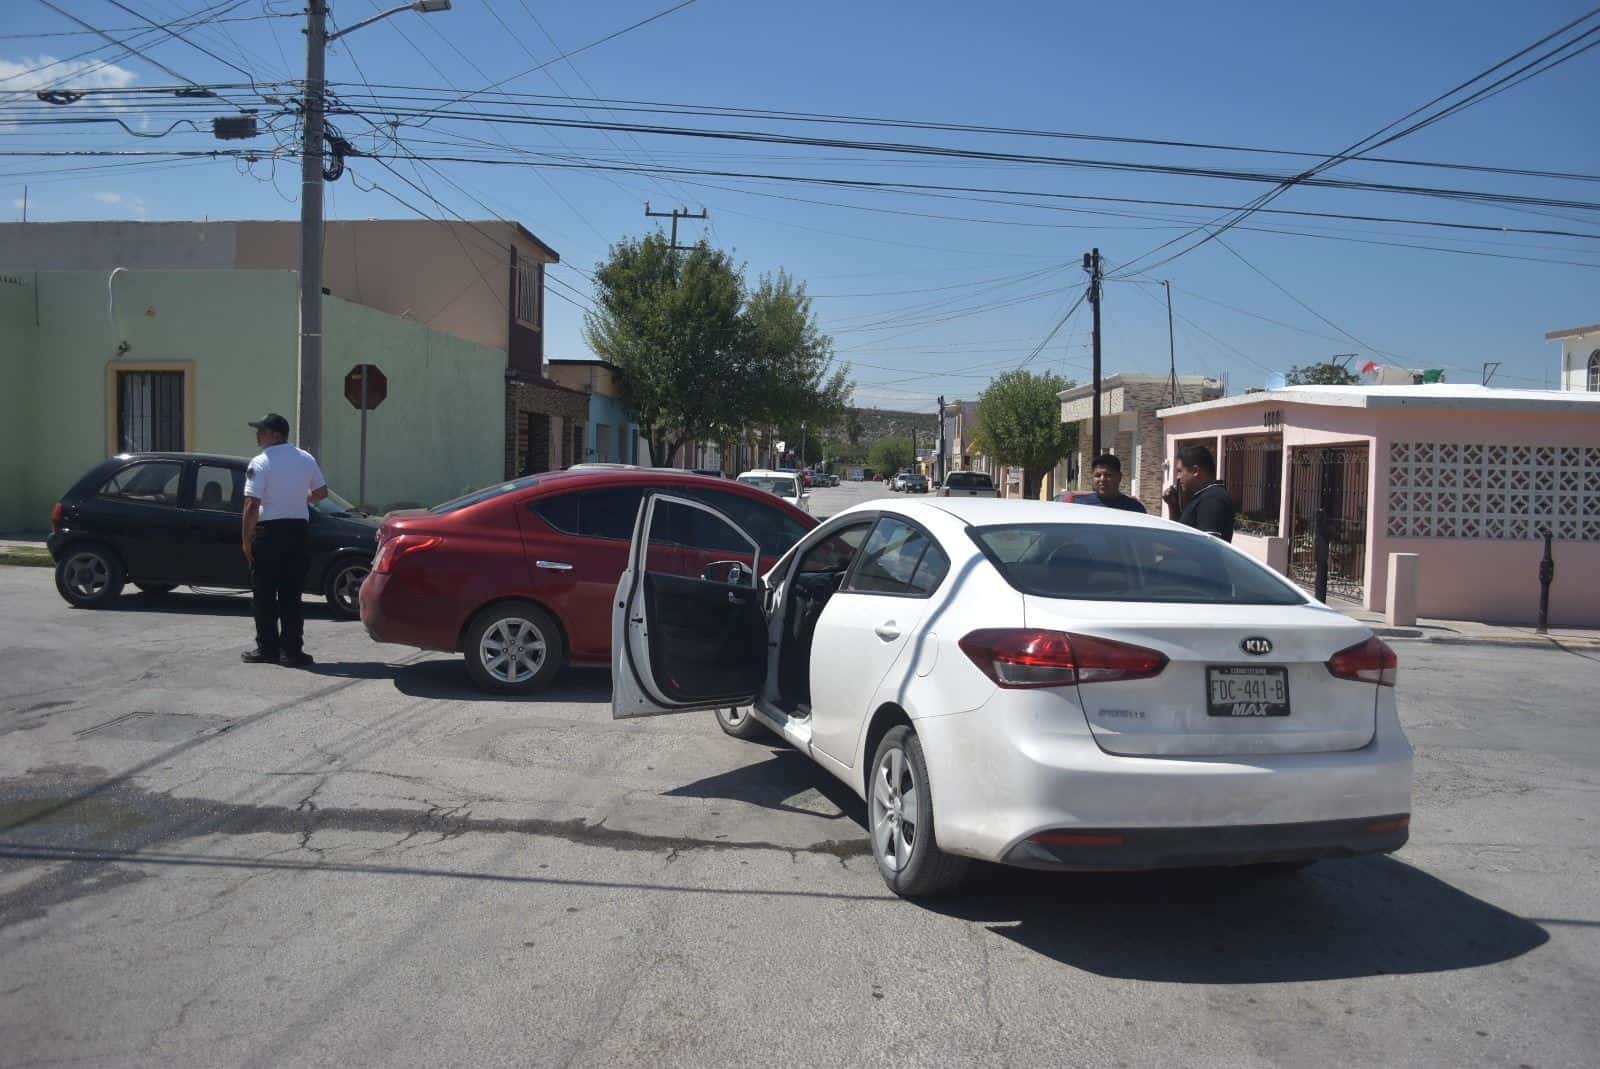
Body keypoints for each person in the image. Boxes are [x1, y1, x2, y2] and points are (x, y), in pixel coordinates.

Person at [241, 413, 328, 667]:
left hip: (268, 533)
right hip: (297, 532)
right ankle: (292, 651)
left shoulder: (260, 462)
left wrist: (246, 539)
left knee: (265, 595)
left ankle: (267, 648)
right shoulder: (305, 458)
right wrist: (299, 499)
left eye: (262, 430)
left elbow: (251, 503)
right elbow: (322, 492)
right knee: (291, 595)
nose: (258, 434)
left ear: (276, 434)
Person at [1162, 444, 1235, 542]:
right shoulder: (1203, 496)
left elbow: (1207, 546)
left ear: (1195, 471)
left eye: (1180, 471)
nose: (1178, 477)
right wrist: (1173, 505)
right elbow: (1179, 532)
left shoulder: (1212, 499)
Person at [1076, 454, 1147, 513]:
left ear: (1119, 477)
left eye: (1108, 475)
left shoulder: (1134, 508)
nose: (1102, 479)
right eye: (1097, 475)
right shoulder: (1081, 504)